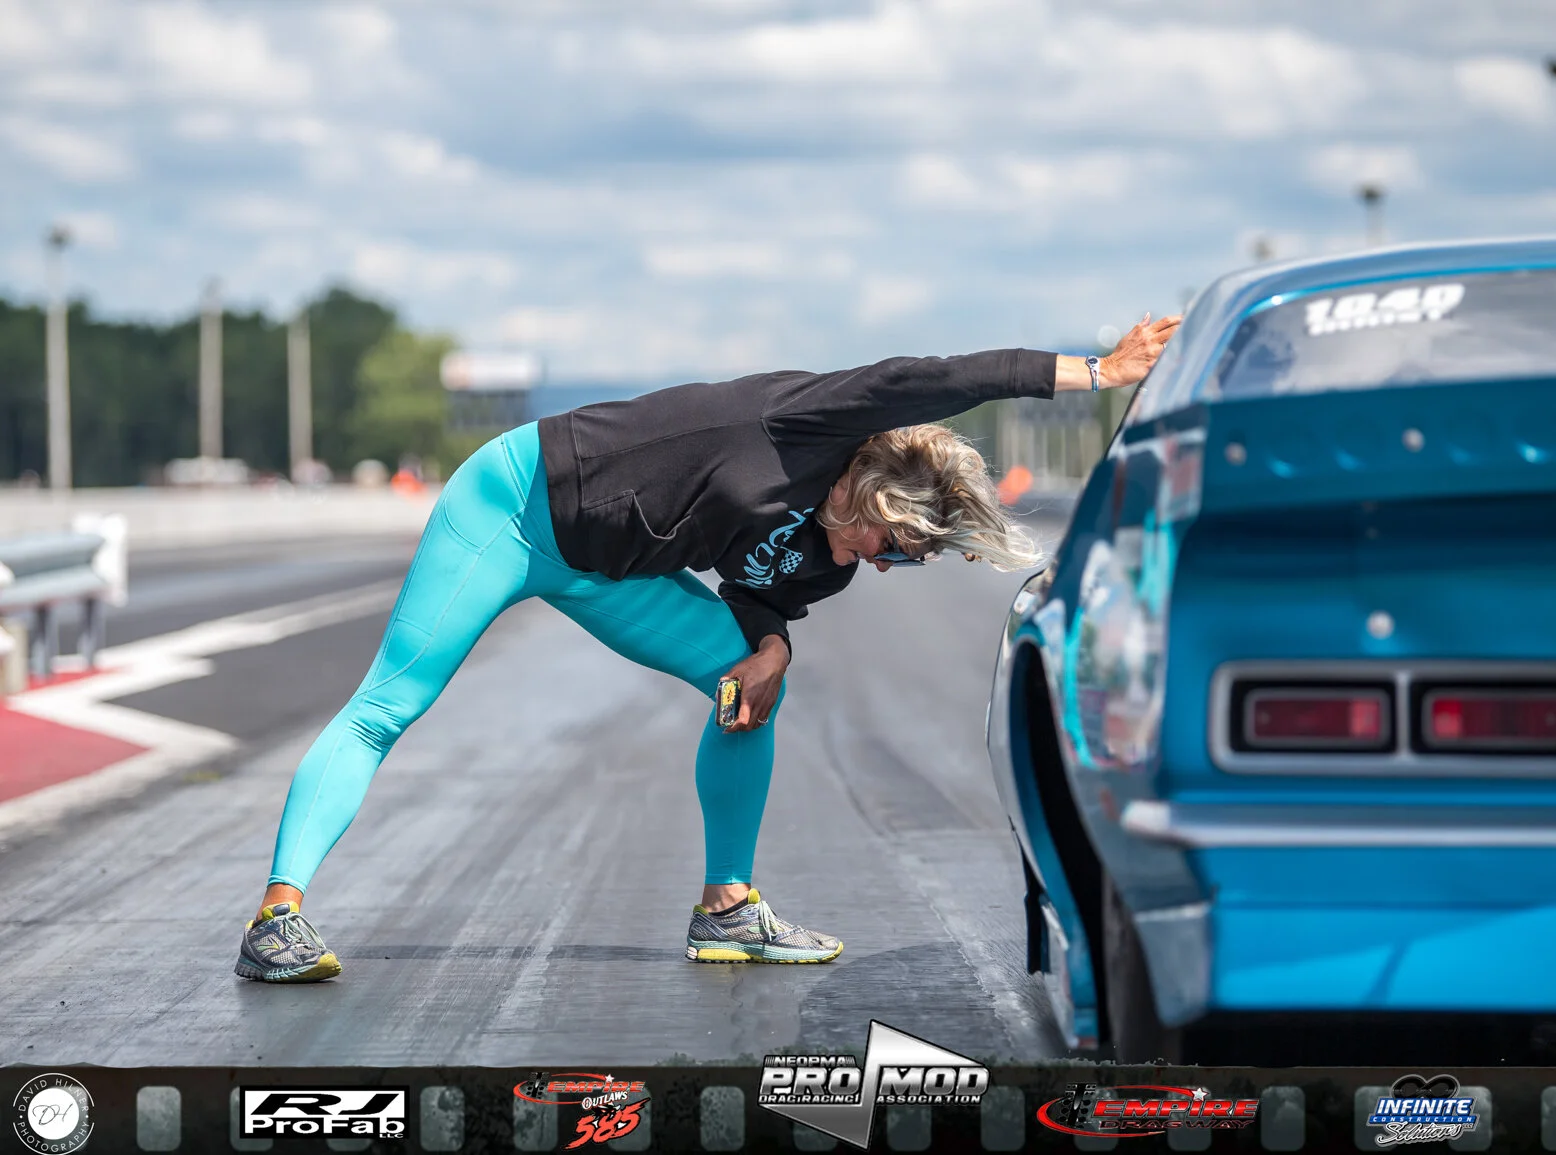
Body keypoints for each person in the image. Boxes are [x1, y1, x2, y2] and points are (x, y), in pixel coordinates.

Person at [234, 313, 1182, 982]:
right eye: (898, 545)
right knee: (388, 706)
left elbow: (756, 598)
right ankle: (276, 921)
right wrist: (1096, 372)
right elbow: (932, 379)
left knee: (750, 681)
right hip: (512, 509)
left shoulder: (831, 562)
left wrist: (772, 648)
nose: (889, 567)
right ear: (879, 495)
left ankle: (727, 908)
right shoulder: (812, 424)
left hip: (609, 572)